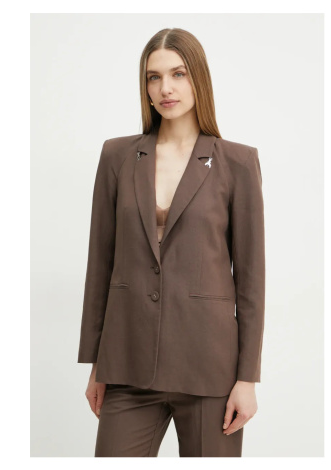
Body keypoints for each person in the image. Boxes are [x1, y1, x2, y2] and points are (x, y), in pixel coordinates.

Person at [77, 28, 266, 457]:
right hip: (127, 365)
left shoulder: (237, 162)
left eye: (178, 74)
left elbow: (251, 280)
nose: (165, 88)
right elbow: (100, 263)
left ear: (199, 78)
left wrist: (246, 379)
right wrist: (97, 364)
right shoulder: (117, 156)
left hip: (210, 371)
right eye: (154, 77)